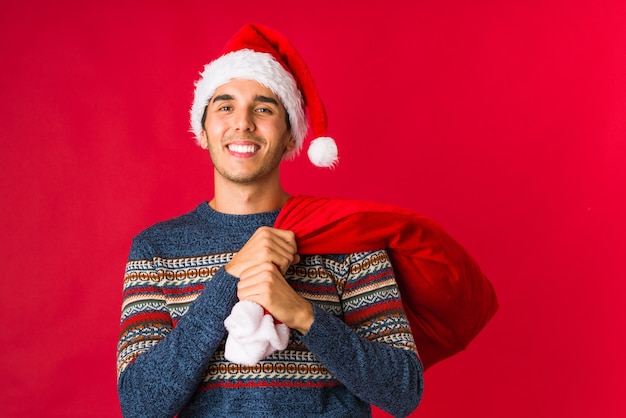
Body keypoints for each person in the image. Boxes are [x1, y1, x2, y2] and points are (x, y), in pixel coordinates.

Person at [117, 23, 496, 418]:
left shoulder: (345, 236)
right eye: (225, 106)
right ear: (203, 130)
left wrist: (303, 314)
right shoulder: (157, 249)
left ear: (289, 136)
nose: (243, 122)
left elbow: (402, 390)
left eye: (264, 108)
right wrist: (228, 280)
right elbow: (141, 404)